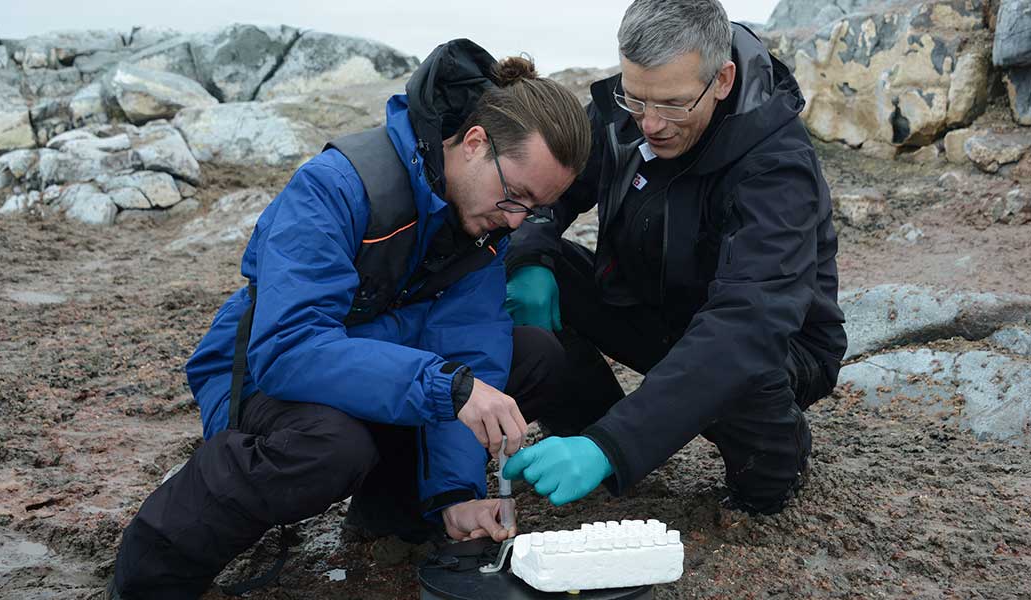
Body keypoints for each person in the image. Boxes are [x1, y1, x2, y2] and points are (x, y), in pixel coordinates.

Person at [107, 39, 590, 599]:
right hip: (260, 375)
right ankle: (153, 565)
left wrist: (454, 496)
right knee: (333, 446)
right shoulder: (334, 186)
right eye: (516, 198)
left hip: (371, 370)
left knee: (527, 357)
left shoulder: (484, 224)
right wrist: (450, 388)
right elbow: (288, 348)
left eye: (533, 210)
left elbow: (470, 350)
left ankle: (397, 509)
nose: (516, 222)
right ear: (476, 142)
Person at [502, 0, 848, 515]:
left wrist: (613, 447)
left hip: (775, 345)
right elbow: (542, 191)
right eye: (636, 99)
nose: (650, 124)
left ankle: (776, 454)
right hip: (653, 306)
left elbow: (745, 326)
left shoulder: (777, 169)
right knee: (518, 269)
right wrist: (528, 258)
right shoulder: (630, 110)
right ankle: (589, 422)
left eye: (673, 104)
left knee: (743, 386)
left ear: (724, 79)